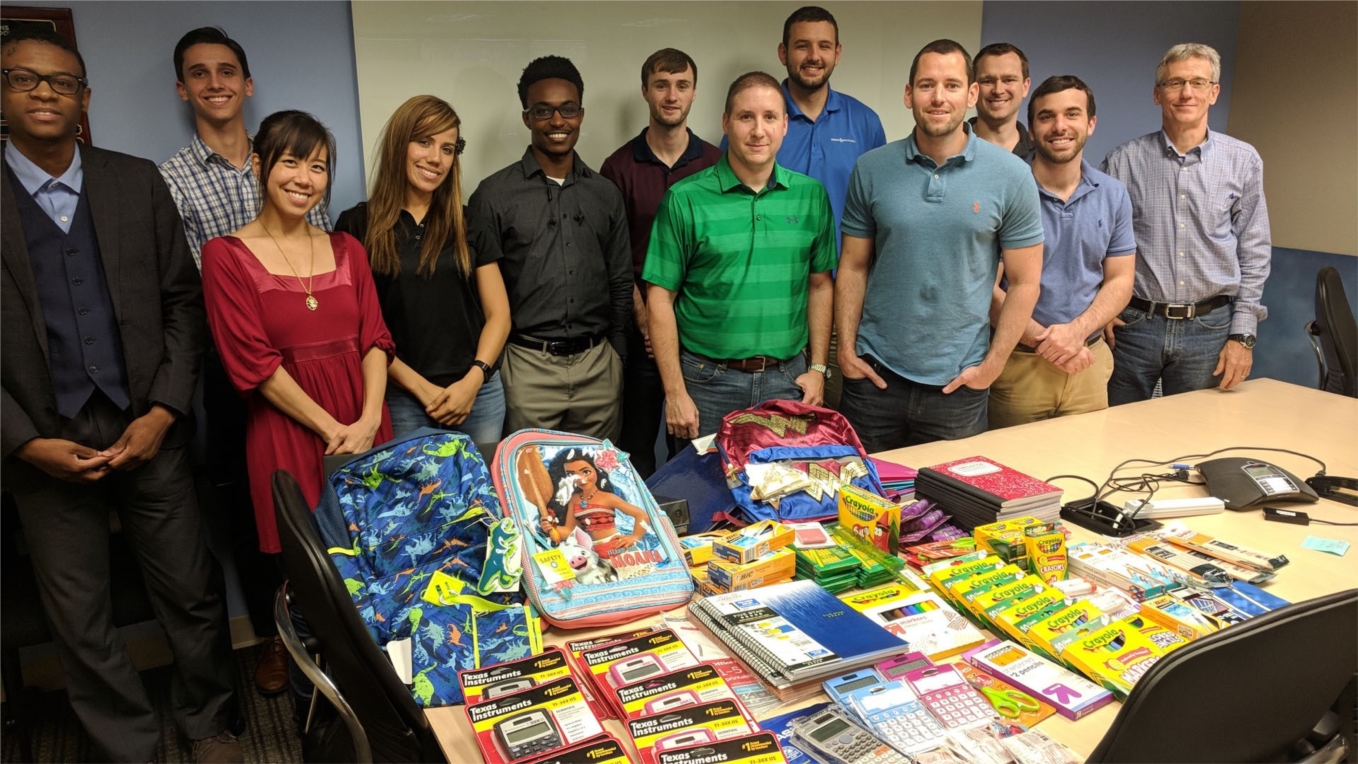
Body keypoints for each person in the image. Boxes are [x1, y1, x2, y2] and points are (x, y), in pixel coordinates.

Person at [1, 27, 239, 763]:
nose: (44, 92)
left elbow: (182, 303)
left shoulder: (135, 180)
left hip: (148, 426)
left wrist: (165, 411)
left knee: (191, 593)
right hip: (40, 441)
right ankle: (129, 744)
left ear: (85, 99)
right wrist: (23, 441)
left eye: (61, 82)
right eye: (24, 79)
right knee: (79, 615)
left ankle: (213, 723)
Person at [158, 25, 334, 697]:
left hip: (314, 368)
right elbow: (192, 286)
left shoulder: (286, 156)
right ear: (183, 90)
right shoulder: (171, 179)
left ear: (248, 83)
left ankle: (340, 631)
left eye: (227, 70)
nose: (215, 83)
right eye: (198, 74)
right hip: (235, 373)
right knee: (257, 516)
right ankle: (275, 642)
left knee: (331, 502)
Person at [201, 109, 394, 557]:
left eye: (318, 166)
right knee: (315, 576)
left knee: (386, 564)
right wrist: (334, 432)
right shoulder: (225, 256)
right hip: (289, 432)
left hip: (366, 426)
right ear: (258, 165)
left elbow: (376, 341)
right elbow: (253, 362)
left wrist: (366, 423)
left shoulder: (349, 248)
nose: (303, 178)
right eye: (290, 161)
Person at [835, 40, 1044, 452]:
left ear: (971, 95)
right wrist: (845, 351)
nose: (938, 97)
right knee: (860, 504)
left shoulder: (1012, 175)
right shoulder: (872, 168)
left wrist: (992, 366)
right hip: (874, 378)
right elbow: (853, 267)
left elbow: (1025, 282)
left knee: (947, 511)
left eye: (951, 85)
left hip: (959, 388)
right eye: (927, 85)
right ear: (909, 94)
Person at [645, 72, 836, 441]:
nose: (758, 131)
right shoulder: (685, 199)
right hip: (707, 383)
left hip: (788, 381)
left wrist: (817, 368)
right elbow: (659, 298)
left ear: (784, 125)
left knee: (783, 493)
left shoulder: (811, 197)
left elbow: (819, 286)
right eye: (746, 117)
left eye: (769, 118)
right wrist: (675, 392)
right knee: (703, 494)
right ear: (726, 123)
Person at [468, 56, 631, 440]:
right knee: (528, 488)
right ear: (527, 117)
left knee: (598, 479)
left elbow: (621, 280)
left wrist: (618, 358)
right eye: (543, 111)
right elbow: (478, 296)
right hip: (526, 367)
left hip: (598, 367)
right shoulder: (493, 195)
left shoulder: (605, 194)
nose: (557, 121)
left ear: (581, 114)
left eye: (567, 109)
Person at [337, 95, 510, 451]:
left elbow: (499, 315)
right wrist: (419, 387)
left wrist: (473, 380)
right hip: (401, 400)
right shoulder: (356, 225)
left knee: (480, 502)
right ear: (400, 144)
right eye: (425, 142)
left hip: (477, 396)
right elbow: (358, 330)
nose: (436, 158)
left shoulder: (469, 221)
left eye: (448, 149)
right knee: (416, 504)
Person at [1102, 43, 1270, 403]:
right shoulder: (1122, 162)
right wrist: (1098, 312)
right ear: (1157, 94)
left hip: (1209, 329)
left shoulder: (1243, 161)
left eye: (1197, 82)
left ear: (1214, 92)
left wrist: (1243, 334)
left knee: (1192, 437)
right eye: (1175, 83)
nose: (1186, 92)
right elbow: (1096, 246)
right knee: (1113, 431)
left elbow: (1254, 253)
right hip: (1133, 326)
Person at [600, 48, 722, 477]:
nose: (672, 95)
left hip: (701, 337)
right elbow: (614, 259)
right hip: (639, 337)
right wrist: (648, 321)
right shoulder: (617, 168)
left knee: (695, 450)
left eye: (682, 85)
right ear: (645, 91)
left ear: (693, 93)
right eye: (662, 85)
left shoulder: (715, 164)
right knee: (634, 450)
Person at [988, 76, 1135, 428]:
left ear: (1091, 123)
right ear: (1033, 127)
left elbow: (1120, 280)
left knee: (1086, 471)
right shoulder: (1003, 190)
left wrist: (1075, 334)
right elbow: (984, 289)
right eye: (1046, 116)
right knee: (1009, 474)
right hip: (1017, 363)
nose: (1059, 126)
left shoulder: (1113, 194)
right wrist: (1049, 342)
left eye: (1072, 114)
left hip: (1088, 360)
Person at [768, 6, 887, 408]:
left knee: (833, 427)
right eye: (802, 46)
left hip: (844, 306)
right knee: (773, 431)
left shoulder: (865, 123)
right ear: (784, 53)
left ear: (838, 53)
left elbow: (881, 214)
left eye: (823, 46)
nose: (813, 56)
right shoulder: (760, 118)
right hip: (773, 302)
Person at [541, 449, 654, 554]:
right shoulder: (574, 499)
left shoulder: (608, 497)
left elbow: (641, 515)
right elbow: (570, 531)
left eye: (586, 472)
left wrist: (635, 537)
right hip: (593, 552)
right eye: (572, 474)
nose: (581, 478)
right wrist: (552, 528)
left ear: (596, 470)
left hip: (618, 549)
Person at [968, 42, 1034, 160]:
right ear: (973, 89)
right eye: (987, 81)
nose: (998, 90)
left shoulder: (1041, 156)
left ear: (1025, 87)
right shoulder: (948, 146)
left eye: (1008, 80)